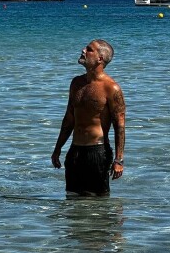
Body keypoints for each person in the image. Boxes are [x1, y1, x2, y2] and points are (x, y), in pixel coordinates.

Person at [51, 39, 126, 196]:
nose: (83, 50)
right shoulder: (76, 83)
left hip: (97, 153)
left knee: (99, 204)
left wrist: (119, 160)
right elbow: (69, 119)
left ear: (100, 58)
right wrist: (57, 149)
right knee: (71, 199)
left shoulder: (111, 88)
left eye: (89, 49)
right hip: (75, 151)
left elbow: (119, 125)